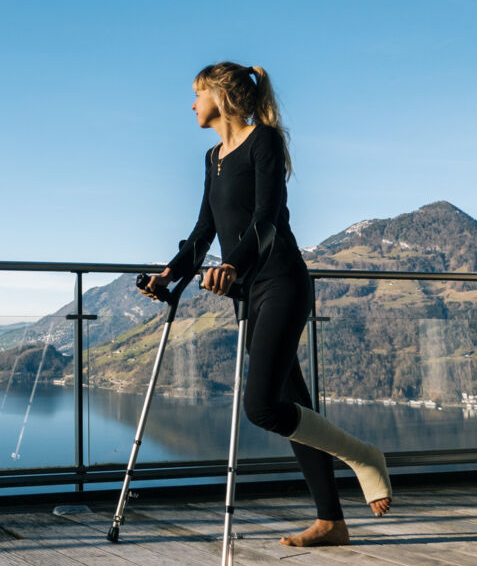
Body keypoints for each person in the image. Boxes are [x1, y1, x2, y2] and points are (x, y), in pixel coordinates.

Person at [137, 62, 392, 547]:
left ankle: (363, 456)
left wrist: (232, 265)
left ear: (221, 95)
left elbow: (266, 220)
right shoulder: (212, 157)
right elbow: (202, 233)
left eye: (197, 94)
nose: (191, 104)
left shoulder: (265, 141)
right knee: (294, 406)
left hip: (280, 280)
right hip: (248, 289)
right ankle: (332, 521)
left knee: (262, 408)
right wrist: (168, 274)